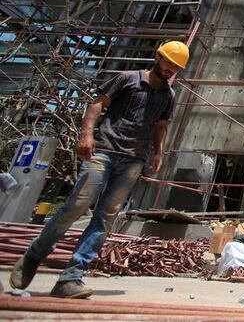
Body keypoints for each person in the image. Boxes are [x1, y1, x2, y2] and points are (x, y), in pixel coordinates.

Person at [10, 41, 189, 299]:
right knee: (77, 205)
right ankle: (33, 255)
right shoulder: (127, 79)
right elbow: (96, 106)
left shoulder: (168, 96)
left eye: (176, 66)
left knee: (106, 217)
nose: (171, 68)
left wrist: (159, 152)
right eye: (169, 62)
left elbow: (161, 126)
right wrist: (86, 135)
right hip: (104, 151)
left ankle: (71, 278)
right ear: (158, 57)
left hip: (133, 159)